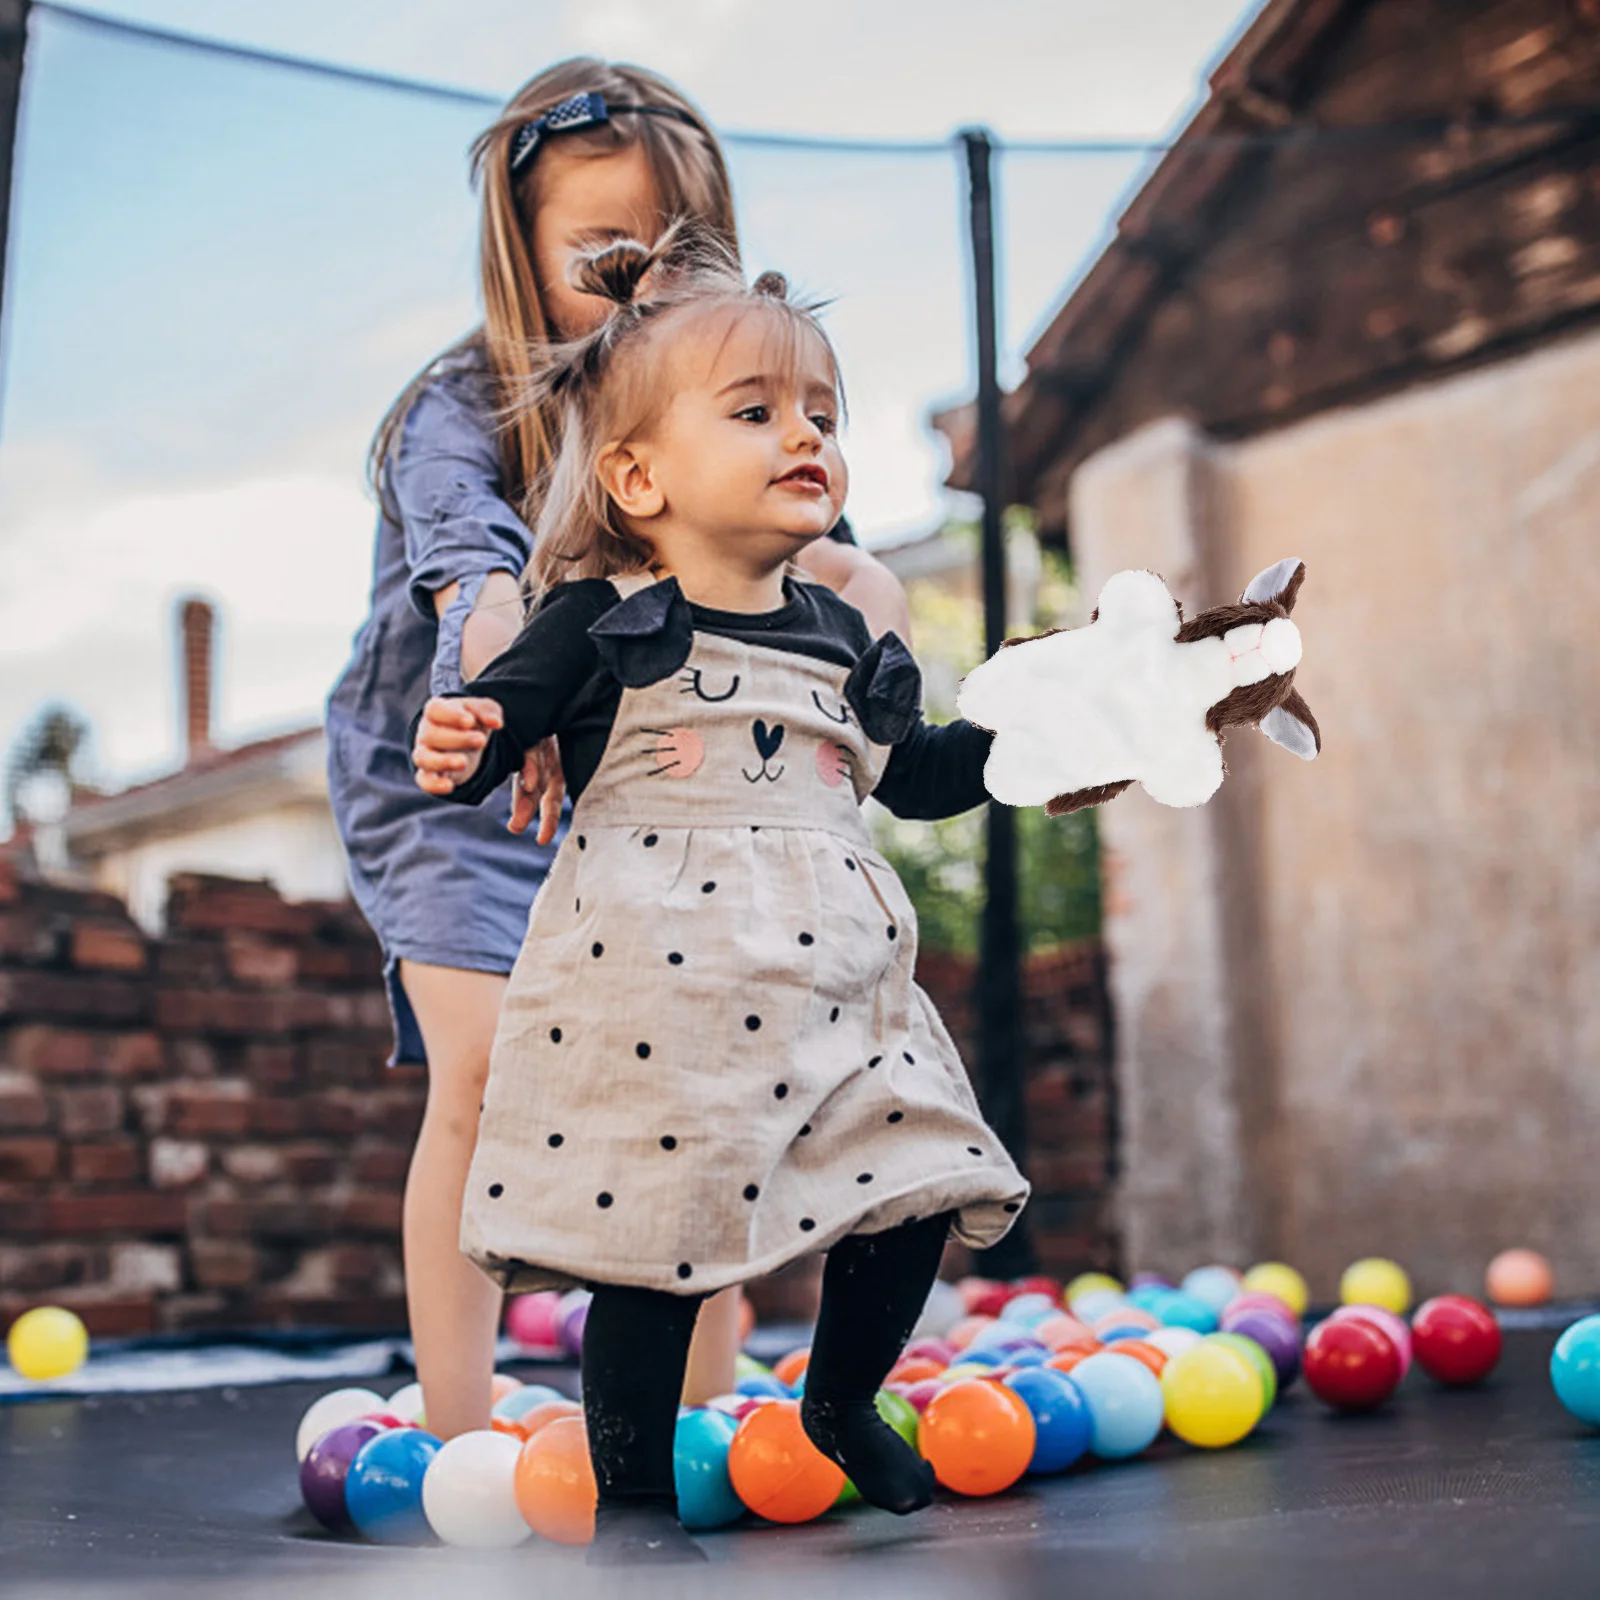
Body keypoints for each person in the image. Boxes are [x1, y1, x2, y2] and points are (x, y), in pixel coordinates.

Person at [411, 237, 1028, 1560]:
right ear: (640, 477)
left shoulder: (851, 637)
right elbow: (502, 716)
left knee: (921, 1175)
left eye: (821, 415)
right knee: (654, 1248)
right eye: (755, 414)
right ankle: (633, 1504)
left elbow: (915, 778)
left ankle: (842, 1401)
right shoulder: (603, 618)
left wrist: (1044, 734)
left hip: (839, 985)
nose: (804, 437)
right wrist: (463, 731)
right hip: (654, 993)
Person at [325, 60, 910, 1441]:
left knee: (684, 1077)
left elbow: (836, 569)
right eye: (603, 263)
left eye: (669, 262)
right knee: (482, 1069)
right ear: (523, 262)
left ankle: (696, 1422)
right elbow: (474, 585)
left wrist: (873, 639)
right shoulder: (456, 410)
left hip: (646, 792)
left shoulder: (720, 396)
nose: (639, 295)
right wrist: (514, 689)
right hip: (459, 773)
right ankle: (462, 1433)